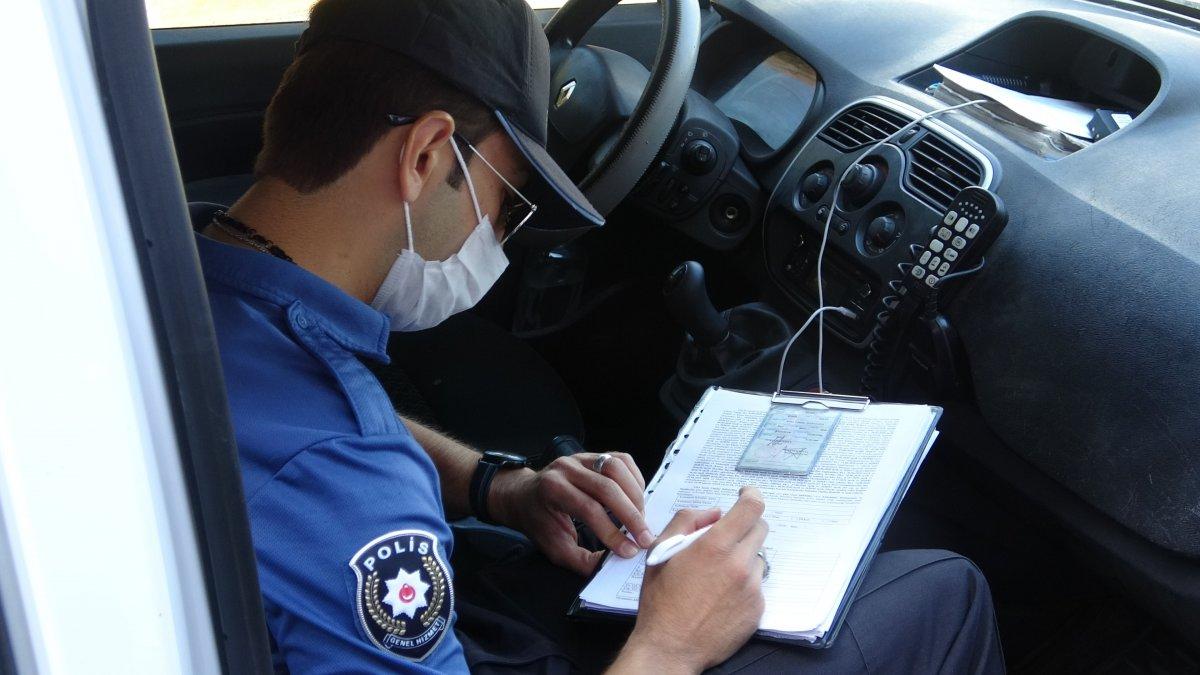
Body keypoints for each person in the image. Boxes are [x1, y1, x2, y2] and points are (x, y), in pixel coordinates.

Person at [196, 0, 1005, 672]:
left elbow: (296, 430)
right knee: (944, 591)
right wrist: (667, 643)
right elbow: (327, 459)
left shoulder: (184, 274)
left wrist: (497, 486)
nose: (503, 233)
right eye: (510, 198)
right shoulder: (352, 489)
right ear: (425, 155)